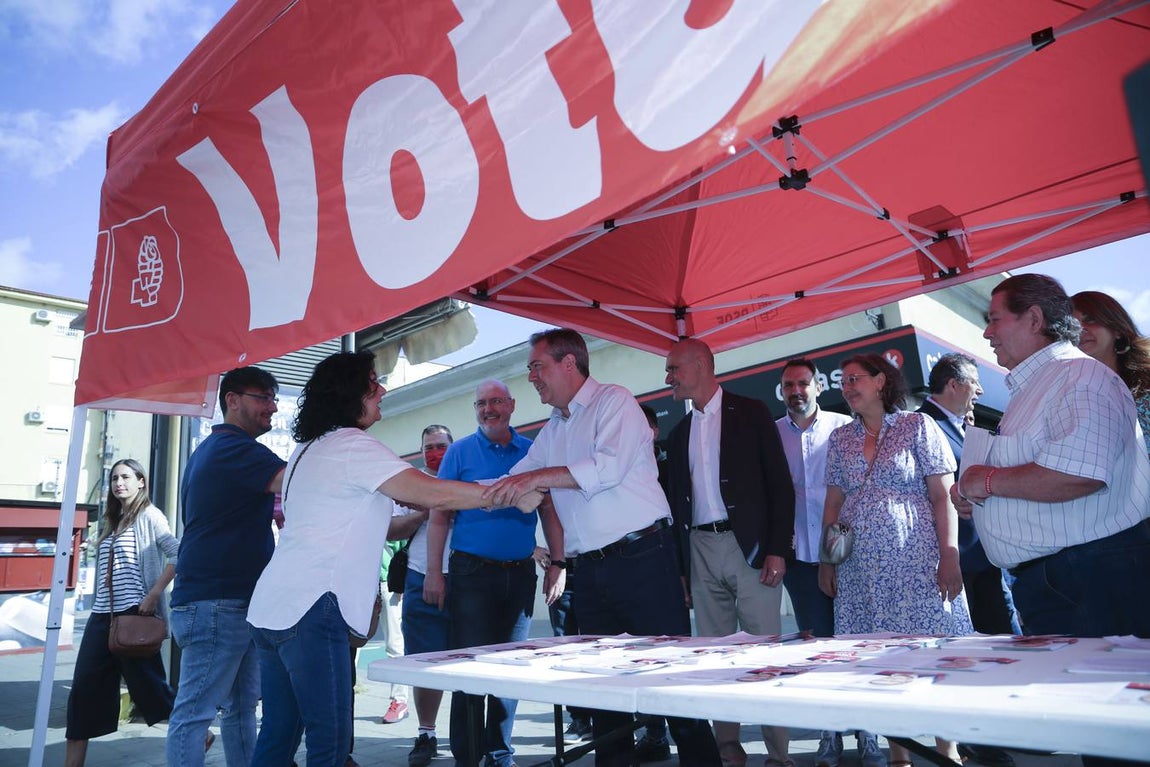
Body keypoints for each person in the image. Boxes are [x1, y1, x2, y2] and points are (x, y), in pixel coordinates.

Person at [245, 352, 541, 767]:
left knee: (276, 740)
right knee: (328, 747)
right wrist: (509, 492)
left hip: (272, 609)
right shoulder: (353, 446)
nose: (382, 390)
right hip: (312, 610)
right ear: (350, 394)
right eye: (372, 383)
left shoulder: (307, 451)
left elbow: (394, 518)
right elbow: (434, 493)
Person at [486, 328, 721, 767]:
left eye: (538, 367)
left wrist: (532, 480)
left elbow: (605, 468)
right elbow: (517, 479)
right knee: (604, 698)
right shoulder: (554, 427)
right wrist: (445, 493)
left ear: (569, 363)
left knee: (674, 684)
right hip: (589, 574)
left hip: (643, 561)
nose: (532, 378)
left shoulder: (615, 402)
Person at [955, 274, 1150, 639]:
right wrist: (975, 492)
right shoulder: (1050, 381)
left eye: (994, 319)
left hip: (1087, 580)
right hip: (1071, 580)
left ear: (1033, 319)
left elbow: (1078, 473)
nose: (987, 333)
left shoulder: (1078, 376)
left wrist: (987, 481)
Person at [819, 353, 972, 767]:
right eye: (843, 381)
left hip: (917, 563)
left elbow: (944, 496)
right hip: (860, 573)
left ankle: (948, 751)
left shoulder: (917, 426)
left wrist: (950, 556)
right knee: (878, 661)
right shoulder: (840, 439)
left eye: (855, 379)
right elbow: (834, 504)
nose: (847, 387)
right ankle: (898, 756)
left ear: (881, 380)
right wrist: (827, 561)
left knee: (932, 652)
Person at [663, 338, 795, 767]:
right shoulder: (679, 431)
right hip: (700, 549)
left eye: (674, 368)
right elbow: (678, 503)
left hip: (751, 551)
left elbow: (779, 485)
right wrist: (683, 569)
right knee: (715, 657)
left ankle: (779, 756)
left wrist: (777, 549)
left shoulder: (752, 412)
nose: (668, 378)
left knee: (765, 654)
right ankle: (728, 751)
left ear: (700, 365)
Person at [424, 378, 565, 767]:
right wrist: (435, 573)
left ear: (512, 405)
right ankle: (468, 758)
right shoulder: (458, 452)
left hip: (519, 576)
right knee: (468, 669)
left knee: (509, 670)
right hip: (470, 575)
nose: (489, 409)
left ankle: (500, 755)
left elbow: (549, 511)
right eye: (481, 403)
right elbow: (438, 518)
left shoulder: (532, 452)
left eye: (496, 402)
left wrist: (558, 563)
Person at [167, 366, 287, 767]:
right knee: (194, 716)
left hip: (227, 602)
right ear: (232, 401)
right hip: (217, 603)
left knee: (239, 712)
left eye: (274, 397)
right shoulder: (236, 448)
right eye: (263, 397)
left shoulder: (214, 449)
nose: (272, 406)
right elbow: (296, 480)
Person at [918, 353, 1018, 767]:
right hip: (961, 563)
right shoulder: (924, 426)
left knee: (1002, 644)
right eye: (974, 382)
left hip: (989, 558)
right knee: (971, 653)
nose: (980, 390)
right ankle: (980, 739)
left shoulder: (969, 428)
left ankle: (1003, 730)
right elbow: (935, 496)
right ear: (954, 385)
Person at [64, 459, 180, 767]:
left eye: (126, 477)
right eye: (115, 478)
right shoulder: (112, 521)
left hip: (135, 615)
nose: (119, 483)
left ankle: (197, 735)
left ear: (141, 481)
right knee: (83, 692)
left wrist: (154, 594)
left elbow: (178, 553)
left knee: (152, 691)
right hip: (102, 617)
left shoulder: (150, 516)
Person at [773, 359, 858, 767]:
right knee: (817, 647)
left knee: (855, 643)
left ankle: (869, 734)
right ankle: (830, 734)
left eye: (803, 383)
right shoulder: (771, 435)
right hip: (801, 559)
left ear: (818, 386)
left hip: (847, 555)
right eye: (789, 385)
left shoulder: (845, 427)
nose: (797, 391)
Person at [399, 424, 454, 767]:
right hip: (420, 580)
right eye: (429, 446)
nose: (435, 451)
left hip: (466, 580)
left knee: (468, 660)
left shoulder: (464, 476)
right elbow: (391, 529)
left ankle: (469, 734)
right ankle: (426, 733)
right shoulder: (411, 483)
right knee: (424, 662)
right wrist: (426, 509)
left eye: (441, 445)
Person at [1070, 290, 1150, 454]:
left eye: (1090, 320)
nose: (1080, 330)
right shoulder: (1064, 394)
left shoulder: (1146, 389)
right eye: (1072, 325)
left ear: (1118, 330)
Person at [378, 540, 409, 724]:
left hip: (387, 581)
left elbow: (403, 543)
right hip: (361, 581)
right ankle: (346, 693)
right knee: (350, 642)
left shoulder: (392, 511)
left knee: (394, 642)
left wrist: (401, 579)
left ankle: (399, 700)